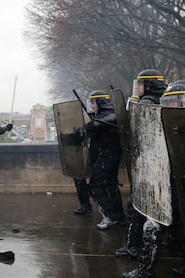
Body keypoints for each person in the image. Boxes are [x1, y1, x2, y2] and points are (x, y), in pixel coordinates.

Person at [123, 79, 184, 278]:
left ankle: (145, 270)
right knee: (160, 222)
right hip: (171, 180)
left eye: (174, 100)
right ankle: (145, 269)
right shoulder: (169, 122)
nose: (170, 105)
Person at [116, 69, 167, 260]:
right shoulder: (159, 102)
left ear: (149, 86)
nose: (137, 87)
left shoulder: (145, 104)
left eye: (140, 84)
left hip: (148, 165)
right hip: (156, 164)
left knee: (139, 208)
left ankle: (134, 249)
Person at [85, 90, 124, 230]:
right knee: (111, 184)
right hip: (110, 154)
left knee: (96, 184)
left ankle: (109, 217)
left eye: (93, 102)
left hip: (107, 155)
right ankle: (118, 216)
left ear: (100, 102)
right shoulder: (107, 114)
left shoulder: (108, 115)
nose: (92, 105)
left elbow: (91, 128)